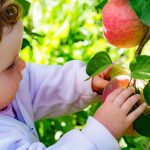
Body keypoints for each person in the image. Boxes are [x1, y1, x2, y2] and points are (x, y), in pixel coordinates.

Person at [0, 0, 147, 150]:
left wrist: (85, 83)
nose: (22, 65)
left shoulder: (11, 85)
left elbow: (38, 85)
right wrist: (100, 135)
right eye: (11, 65)